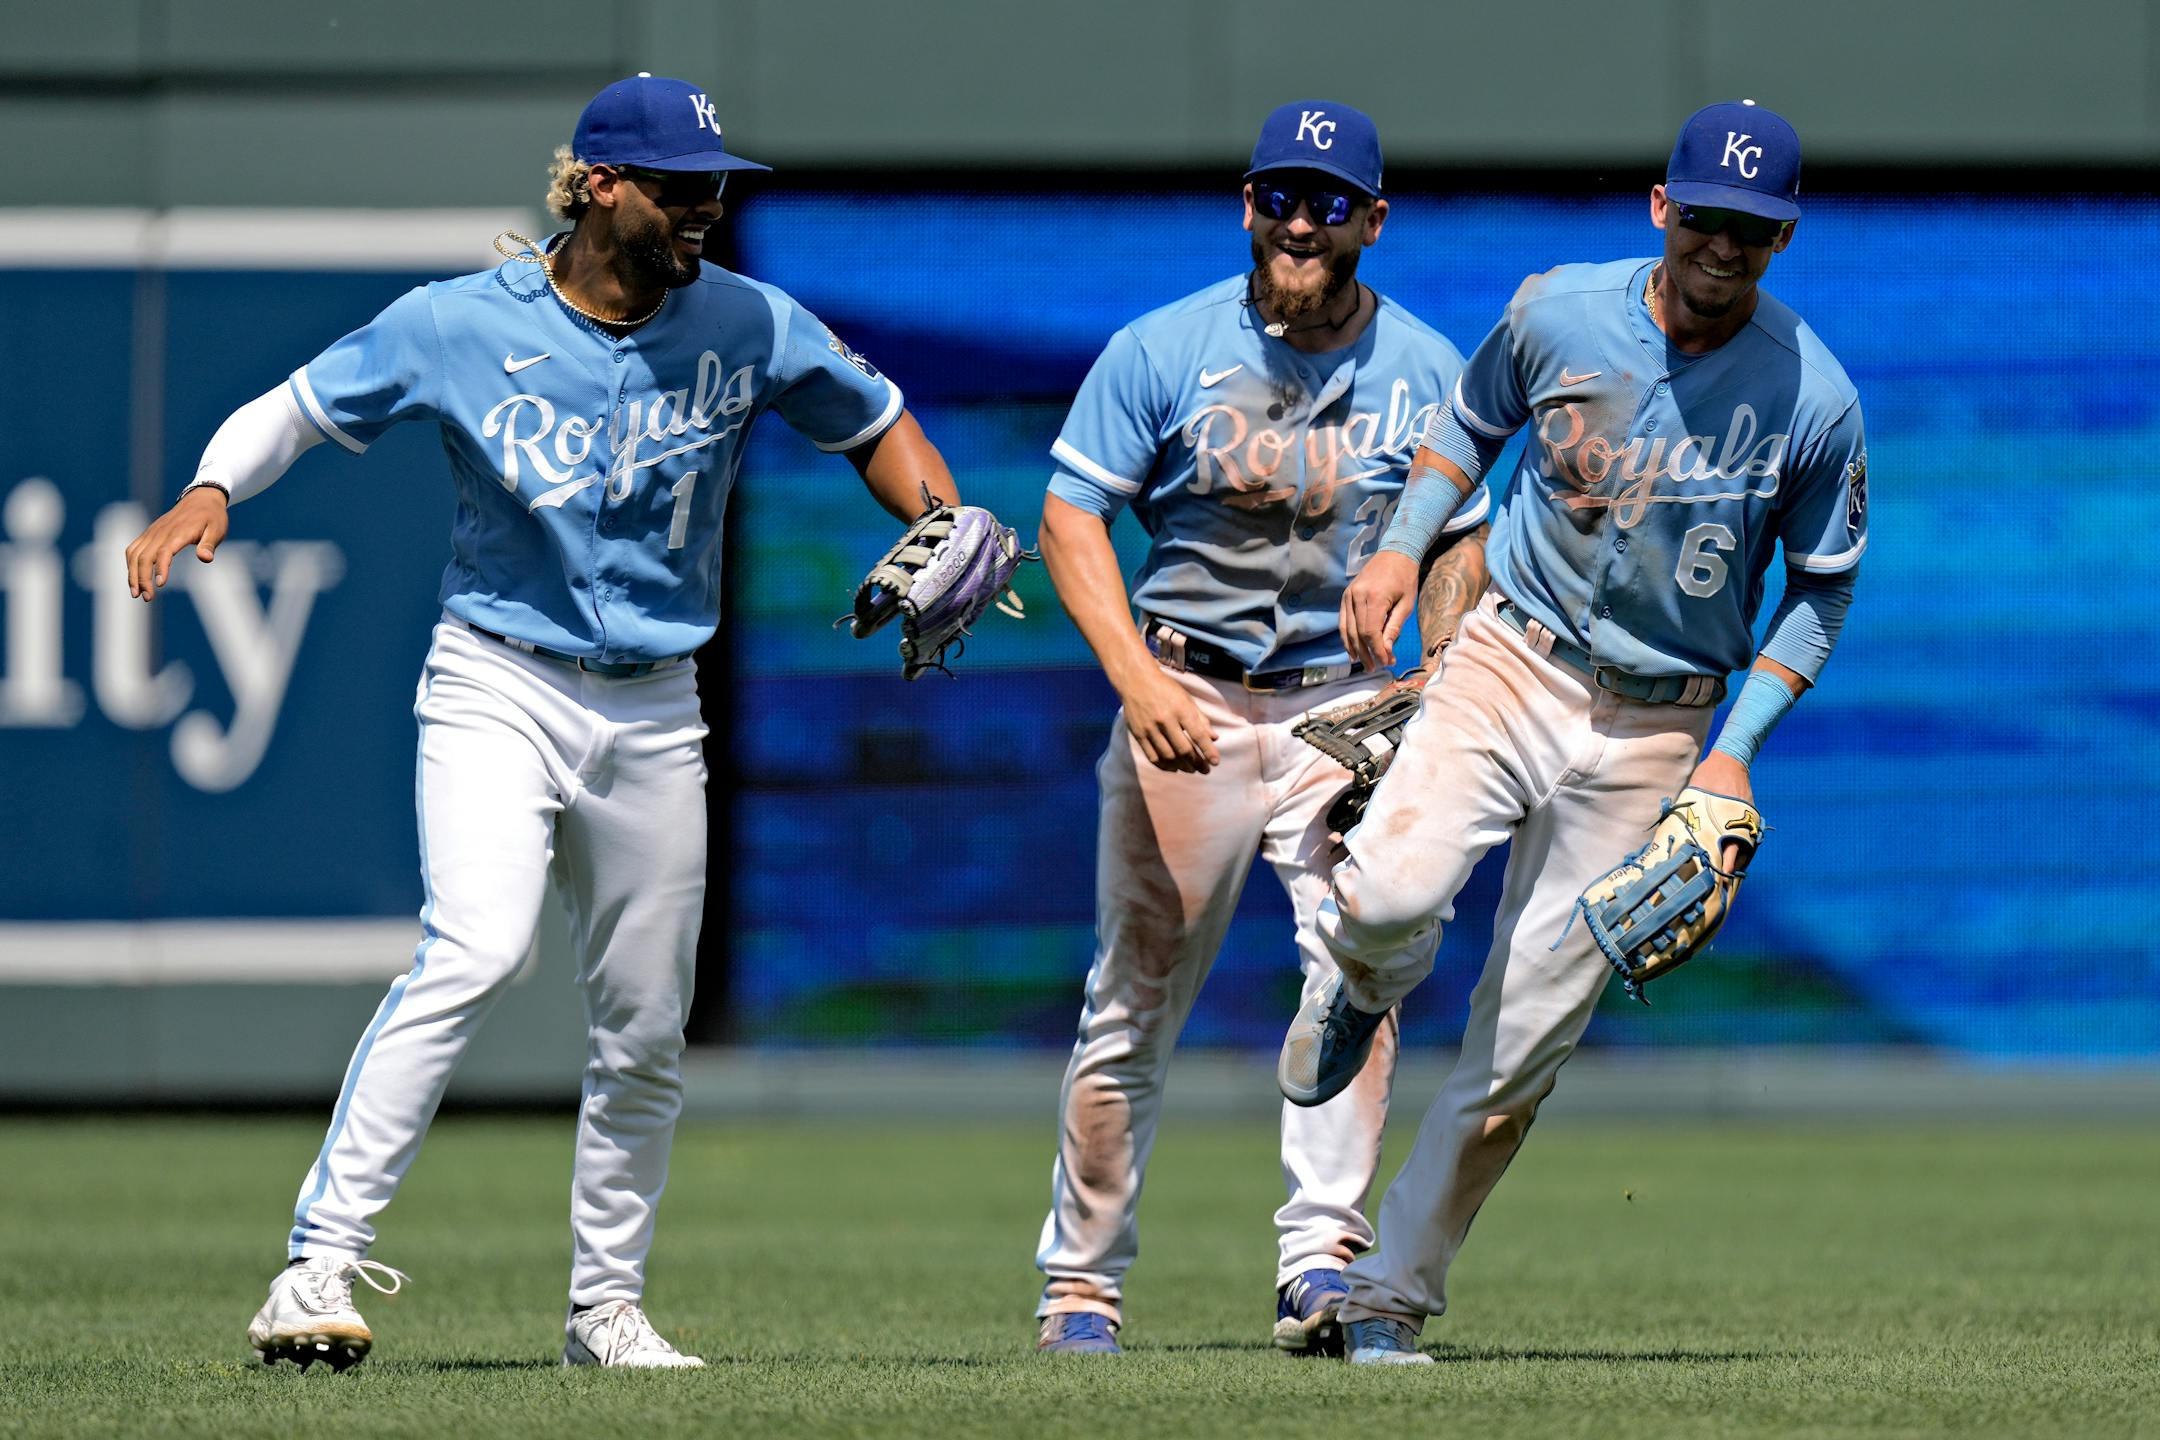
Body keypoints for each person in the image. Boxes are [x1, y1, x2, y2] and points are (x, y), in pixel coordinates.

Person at [123, 74, 966, 1370]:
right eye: (682, 185)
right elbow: (293, 409)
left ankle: (605, 1310)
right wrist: (210, 485)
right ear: (602, 186)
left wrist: (940, 525)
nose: (707, 207)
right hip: (496, 683)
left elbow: (876, 424)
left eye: (718, 186)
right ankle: (316, 1266)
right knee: (474, 948)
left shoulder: (746, 320)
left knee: (643, 1021)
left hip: (656, 705)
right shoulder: (461, 323)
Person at [1275, 101, 1868, 1364]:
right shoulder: (1558, 310)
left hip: (1665, 718)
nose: (1724, 245)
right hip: (1514, 655)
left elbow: (1819, 593)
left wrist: (1734, 749)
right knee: (1384, 894)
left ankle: (1385, 1296)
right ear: (1662, 208)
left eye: (1752, 229)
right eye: (1705, 216)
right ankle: (1366, 978)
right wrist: (1392, 553)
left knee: (1524, 1043)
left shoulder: (1815, 396)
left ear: (1785, 237)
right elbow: (1468, 424)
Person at [1031, 100, 1491, 1356]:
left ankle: (1324, 1261)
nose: (1301, 220)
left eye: (1329, 201)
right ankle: (1080, 1283)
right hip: (1191, 691)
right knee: (1133, 996)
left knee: (1363, 968)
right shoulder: (1164, 348)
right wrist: (1135, 679)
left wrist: (1439, 666)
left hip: (1341, 710)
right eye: (1280, 196)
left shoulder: (1430, 369)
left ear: (1373, 222)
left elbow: (1463, 540)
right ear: (1247, 206)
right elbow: (1072, 522)